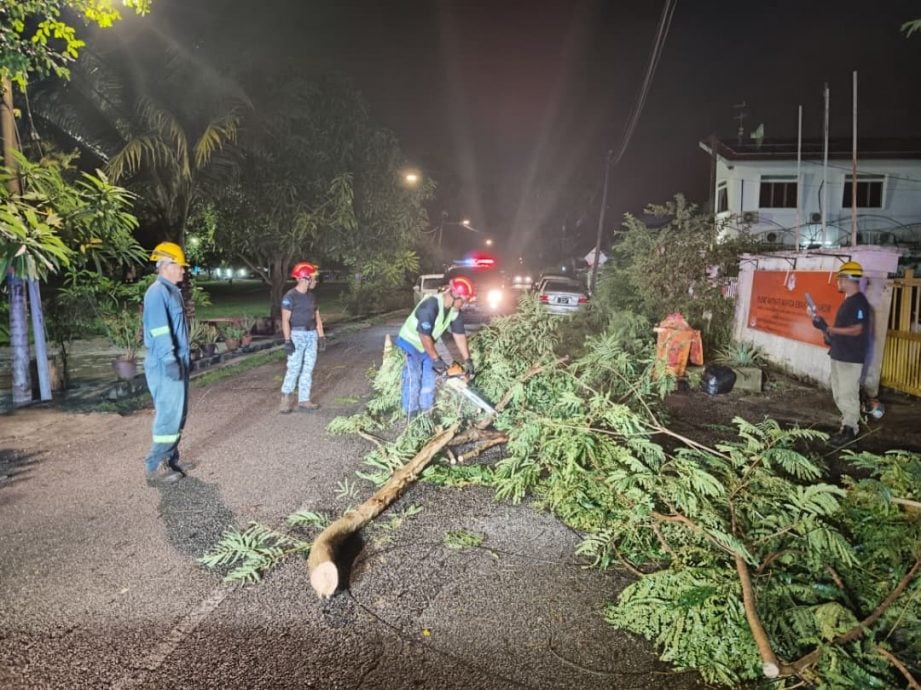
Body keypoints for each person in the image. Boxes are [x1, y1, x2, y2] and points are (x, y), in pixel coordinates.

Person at [142, 241, 192, 485]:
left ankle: (169, 458)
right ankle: (155, 465)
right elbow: (160, 331)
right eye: (180, 266)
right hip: (165, 362)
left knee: (178, 415)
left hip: (175, 359)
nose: (183, 271)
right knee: (168, 414)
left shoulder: (171, 291)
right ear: (167, 266)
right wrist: (171, 359)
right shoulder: (157, 292)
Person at [810, 261, 871, 445]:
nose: (838, 281)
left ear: (848, 279)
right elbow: (839, 330)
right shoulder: (848, 301)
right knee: (839, 393)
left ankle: (850, 430)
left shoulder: (859, 302)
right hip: (839, 354)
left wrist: (831, 329)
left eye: (840, 278)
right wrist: (823, 328)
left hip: (850, 358)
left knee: (847, 394)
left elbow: (857, 329)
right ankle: (846, 425)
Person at [396, 275, 475, 417]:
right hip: (409, 344)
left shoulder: (454, 311)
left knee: (429, 381)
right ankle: (411, 413)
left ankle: (426, 413)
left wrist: (467, 360)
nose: (464, 304)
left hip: (426, 347)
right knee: (413, 377)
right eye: (463, 300)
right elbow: (424, 335)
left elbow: (459, 334)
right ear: (455, 295)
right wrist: (437, 359)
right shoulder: (430, 305)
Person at [279, 261, 326, 413]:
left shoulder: (312, 297)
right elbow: (285, 320)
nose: (315, 281)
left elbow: (317, 317)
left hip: (311, 335)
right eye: (313, 277)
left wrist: (321, 336)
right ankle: (286, 399)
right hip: (297, 335)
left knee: (308, 368)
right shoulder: (290, 297)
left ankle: (304, 400)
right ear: (304, 278)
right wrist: (287, 340)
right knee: (294, 367)